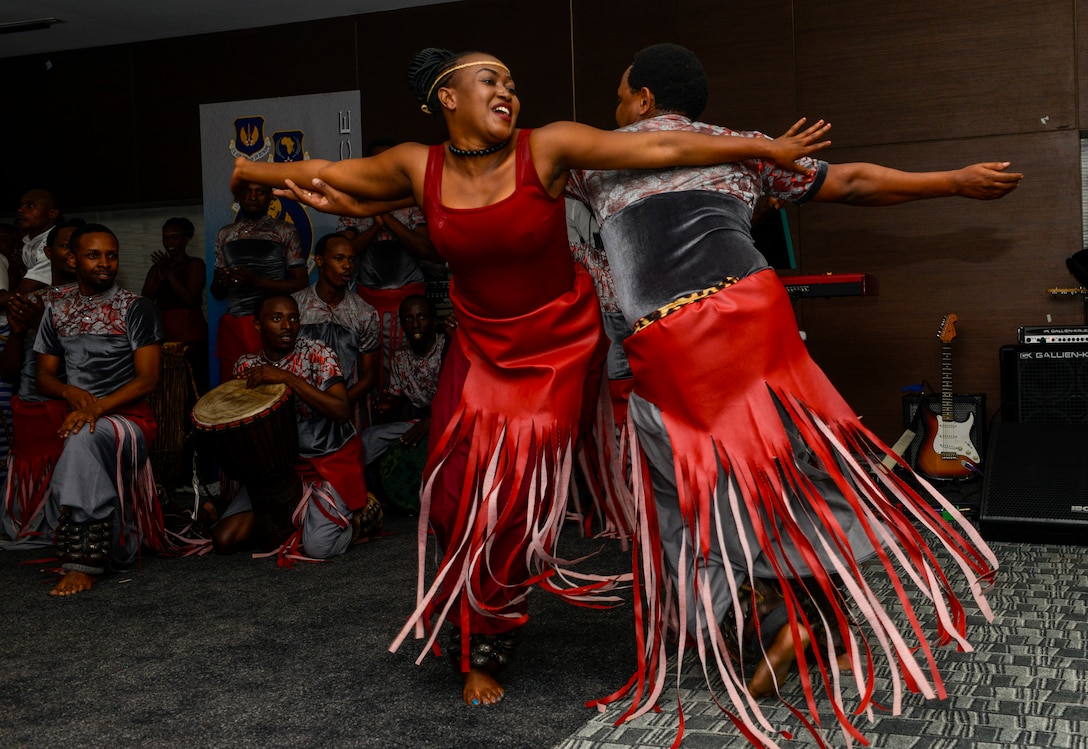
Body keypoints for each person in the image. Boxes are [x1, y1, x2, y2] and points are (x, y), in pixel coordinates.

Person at [231, 45, 834, 709]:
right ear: (448, 98)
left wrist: (764, 150)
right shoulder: (416, 163)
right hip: (479, 347)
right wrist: (250, 168)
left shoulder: (545, 147)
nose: (508, 91)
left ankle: (494, 645)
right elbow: (330, 169)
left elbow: (658, 151)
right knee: (457, 495)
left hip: (556, 348)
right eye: (491, 79)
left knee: (510, 501)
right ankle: (473, 635)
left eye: (512, 83)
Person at [563, 43, 1020, 744]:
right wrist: (953, 179)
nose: (617, 109)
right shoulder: (744, 148)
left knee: (683, 503)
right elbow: (858, 182)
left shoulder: (598, 152)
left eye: (623, 96)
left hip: (679, 332)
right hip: (754, 315)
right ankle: (816, 623)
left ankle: (779, 621)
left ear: (645, 102)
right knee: (783, 476)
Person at [33, 223, 170, 596]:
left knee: (81, 435)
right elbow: (43, 376)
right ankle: (100, 540)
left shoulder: (136, 307)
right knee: (79, 433)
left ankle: (84, 561)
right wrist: (69, 392)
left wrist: (96, 409)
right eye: (93, 255)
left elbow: (148, 380)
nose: (104, 263)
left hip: (129, 419)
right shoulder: (56, 306)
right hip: (81, 414)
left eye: (111, 255)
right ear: (72, 259)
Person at [211, 293, 381, 562]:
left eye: (293, 318)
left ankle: (357, 523)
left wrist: (287, 378)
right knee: (224, 540)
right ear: (257, 325)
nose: (287, 325)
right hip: (278, 470)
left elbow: (341, 411)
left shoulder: (318, 354)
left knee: (318, 547)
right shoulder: (246, 366)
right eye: (277, 318)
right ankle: (301, 519)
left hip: (326, 461)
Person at [0, 219, 80, 549]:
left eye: (80, 247)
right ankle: (38, 522)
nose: (73, 254)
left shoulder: (104, 303)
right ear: (48, 253)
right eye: (65, 246)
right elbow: (8, 370)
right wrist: (18, 333)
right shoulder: (32, 300)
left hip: (79, 407)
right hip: (35, 406)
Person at [336, 139, 439, 394]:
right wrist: (375, 225)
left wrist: (388, 218)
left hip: (409, 301)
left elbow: (424, 248)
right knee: (369, 367)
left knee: (412, 365)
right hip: (369, 302)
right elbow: (347, 252)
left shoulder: (413, 200)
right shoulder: (354, 203)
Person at [210, 181, 307, 384]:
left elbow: (301, 283)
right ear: (238, 196)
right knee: (235, 389)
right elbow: (218, 293)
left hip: (271, 326)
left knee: (270, 389)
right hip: (235, 325)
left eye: (260, 192)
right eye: (247, 191)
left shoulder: (285, 231)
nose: (253, 197)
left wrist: (256, 281)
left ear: (270, 196)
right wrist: (220, 282)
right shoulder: (224, 234)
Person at [361, 294, 447, 514]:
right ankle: (375, 498)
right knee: (368, 439)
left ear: (433, 320)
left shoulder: (448, 346)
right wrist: (390, 404)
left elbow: (463, 396)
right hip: (421, 421)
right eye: (409, 319)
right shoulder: (400, 357)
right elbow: (398, 400)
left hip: (452, 421)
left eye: (421, 317)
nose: (415, 324)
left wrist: (433, 419)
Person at [293, 232, 380, 428]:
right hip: (301, 413)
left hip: (347, 410)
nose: (348, 266)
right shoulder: (295, 306)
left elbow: (370, 376)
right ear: (320, 261)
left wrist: (336, 405)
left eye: (351, 259)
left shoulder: (365, 312)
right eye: (339, 258)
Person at [142, 217, 209, 394]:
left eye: (174, 238)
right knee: (170, 390)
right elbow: (146, 300)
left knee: (194, 385)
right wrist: (159, 273)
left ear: (187, 238)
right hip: (165, 336)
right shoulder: (160, 267)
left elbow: (190, 299)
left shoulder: (195, 264)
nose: (169, 242)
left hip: (191, 335)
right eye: (166, 238)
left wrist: (169, 274)